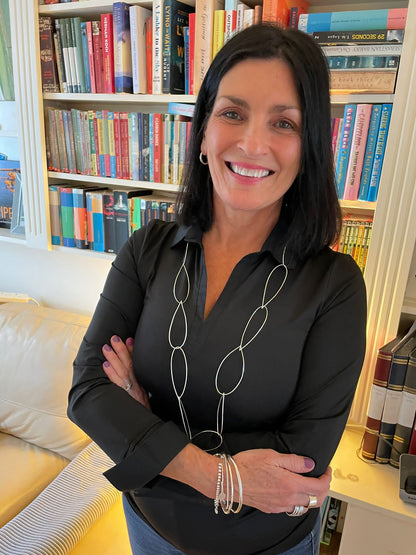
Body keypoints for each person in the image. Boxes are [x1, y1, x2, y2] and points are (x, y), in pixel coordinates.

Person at [68, 23, 367, 555]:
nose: (252, 142)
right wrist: (219, 476)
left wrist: (143, 425)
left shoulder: (335, 285)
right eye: (232, 113)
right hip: (147, 528)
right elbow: (88, 392)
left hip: (268, 546)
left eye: (283, 123)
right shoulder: (146, 248)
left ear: (309, 148)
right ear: (203, 132)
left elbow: (300, 465)